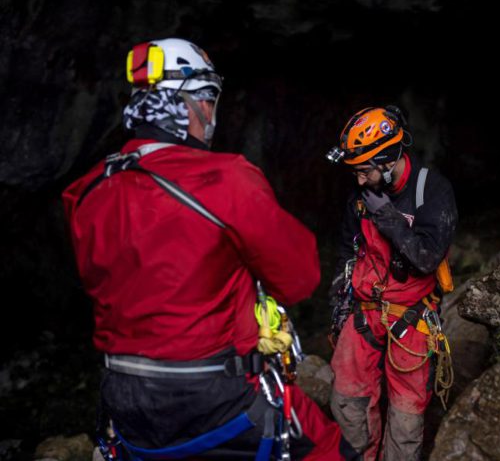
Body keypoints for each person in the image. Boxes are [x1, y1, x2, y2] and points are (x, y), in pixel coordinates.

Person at [62, 38, 354, 460]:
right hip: (215, 396)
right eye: (210, 100)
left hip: (124, 400)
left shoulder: (86, 191)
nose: (212, 113)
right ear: (192, 104)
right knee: (331, 450)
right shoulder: (225, 178)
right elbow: (299, 278)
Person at [326, 106, 457, 460]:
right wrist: (338, 307)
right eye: (355, 172)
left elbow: (427, 258)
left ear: (387, 161)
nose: (359, 181)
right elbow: (347, 251)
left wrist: (387, 215)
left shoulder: (432, 190)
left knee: (406, 414)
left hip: (410, 316)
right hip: (364, 310)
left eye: (364, 171)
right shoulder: (360, 196)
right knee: (347, 400)